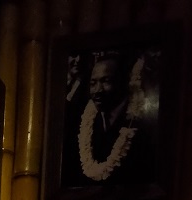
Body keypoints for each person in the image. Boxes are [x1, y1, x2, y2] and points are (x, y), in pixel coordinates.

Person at [62, 53, 154, 189]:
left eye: (106, 81)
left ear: (123, 82)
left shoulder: (142, 124)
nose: (97, 90)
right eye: (93, 83)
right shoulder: (82, 120)